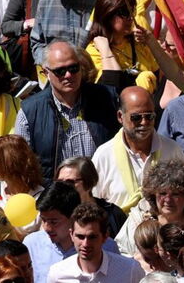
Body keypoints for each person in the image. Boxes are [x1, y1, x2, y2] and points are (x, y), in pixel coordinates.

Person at [16, 40, 119, 183]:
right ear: (46, 72)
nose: (68, 75)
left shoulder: (106, 98)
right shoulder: (30, 112)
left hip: (102, 187)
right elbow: (24, 165)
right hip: (55, 192)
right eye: (60, 71)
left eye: (74, 68)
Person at [115, 159, 184, 270]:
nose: (168, 200)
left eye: (175, 194)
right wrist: (138, 263)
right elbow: (119, 254)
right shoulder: (138, 219)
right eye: (162, 193)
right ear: (153, 194)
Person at [91, 87, 184, 213]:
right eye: (136, 118)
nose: (144, 122)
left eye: (149, 116)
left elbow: (183, 197)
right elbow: (94, 206)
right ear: (120, 116)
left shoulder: (172, 150)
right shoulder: (104, 156)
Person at [47, 202, 145, 282]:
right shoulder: (57, 274)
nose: (85, 244)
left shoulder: (130, 270)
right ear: (71, 235)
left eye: (92, 237)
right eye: (80, 237)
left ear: (105, 236)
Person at [86, 0, 160, 89]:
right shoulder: (95, 51)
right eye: (125, 12)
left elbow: (159, 76)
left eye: (132, 12)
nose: (131, 18)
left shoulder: (139, 44)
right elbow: (109, 87)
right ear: (108, 14)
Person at [55, 157, 127, 240]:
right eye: (59, 182)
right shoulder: (53, 215)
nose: (63, 187)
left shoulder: (113, 215)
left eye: (70, 182)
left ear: (89, 182)